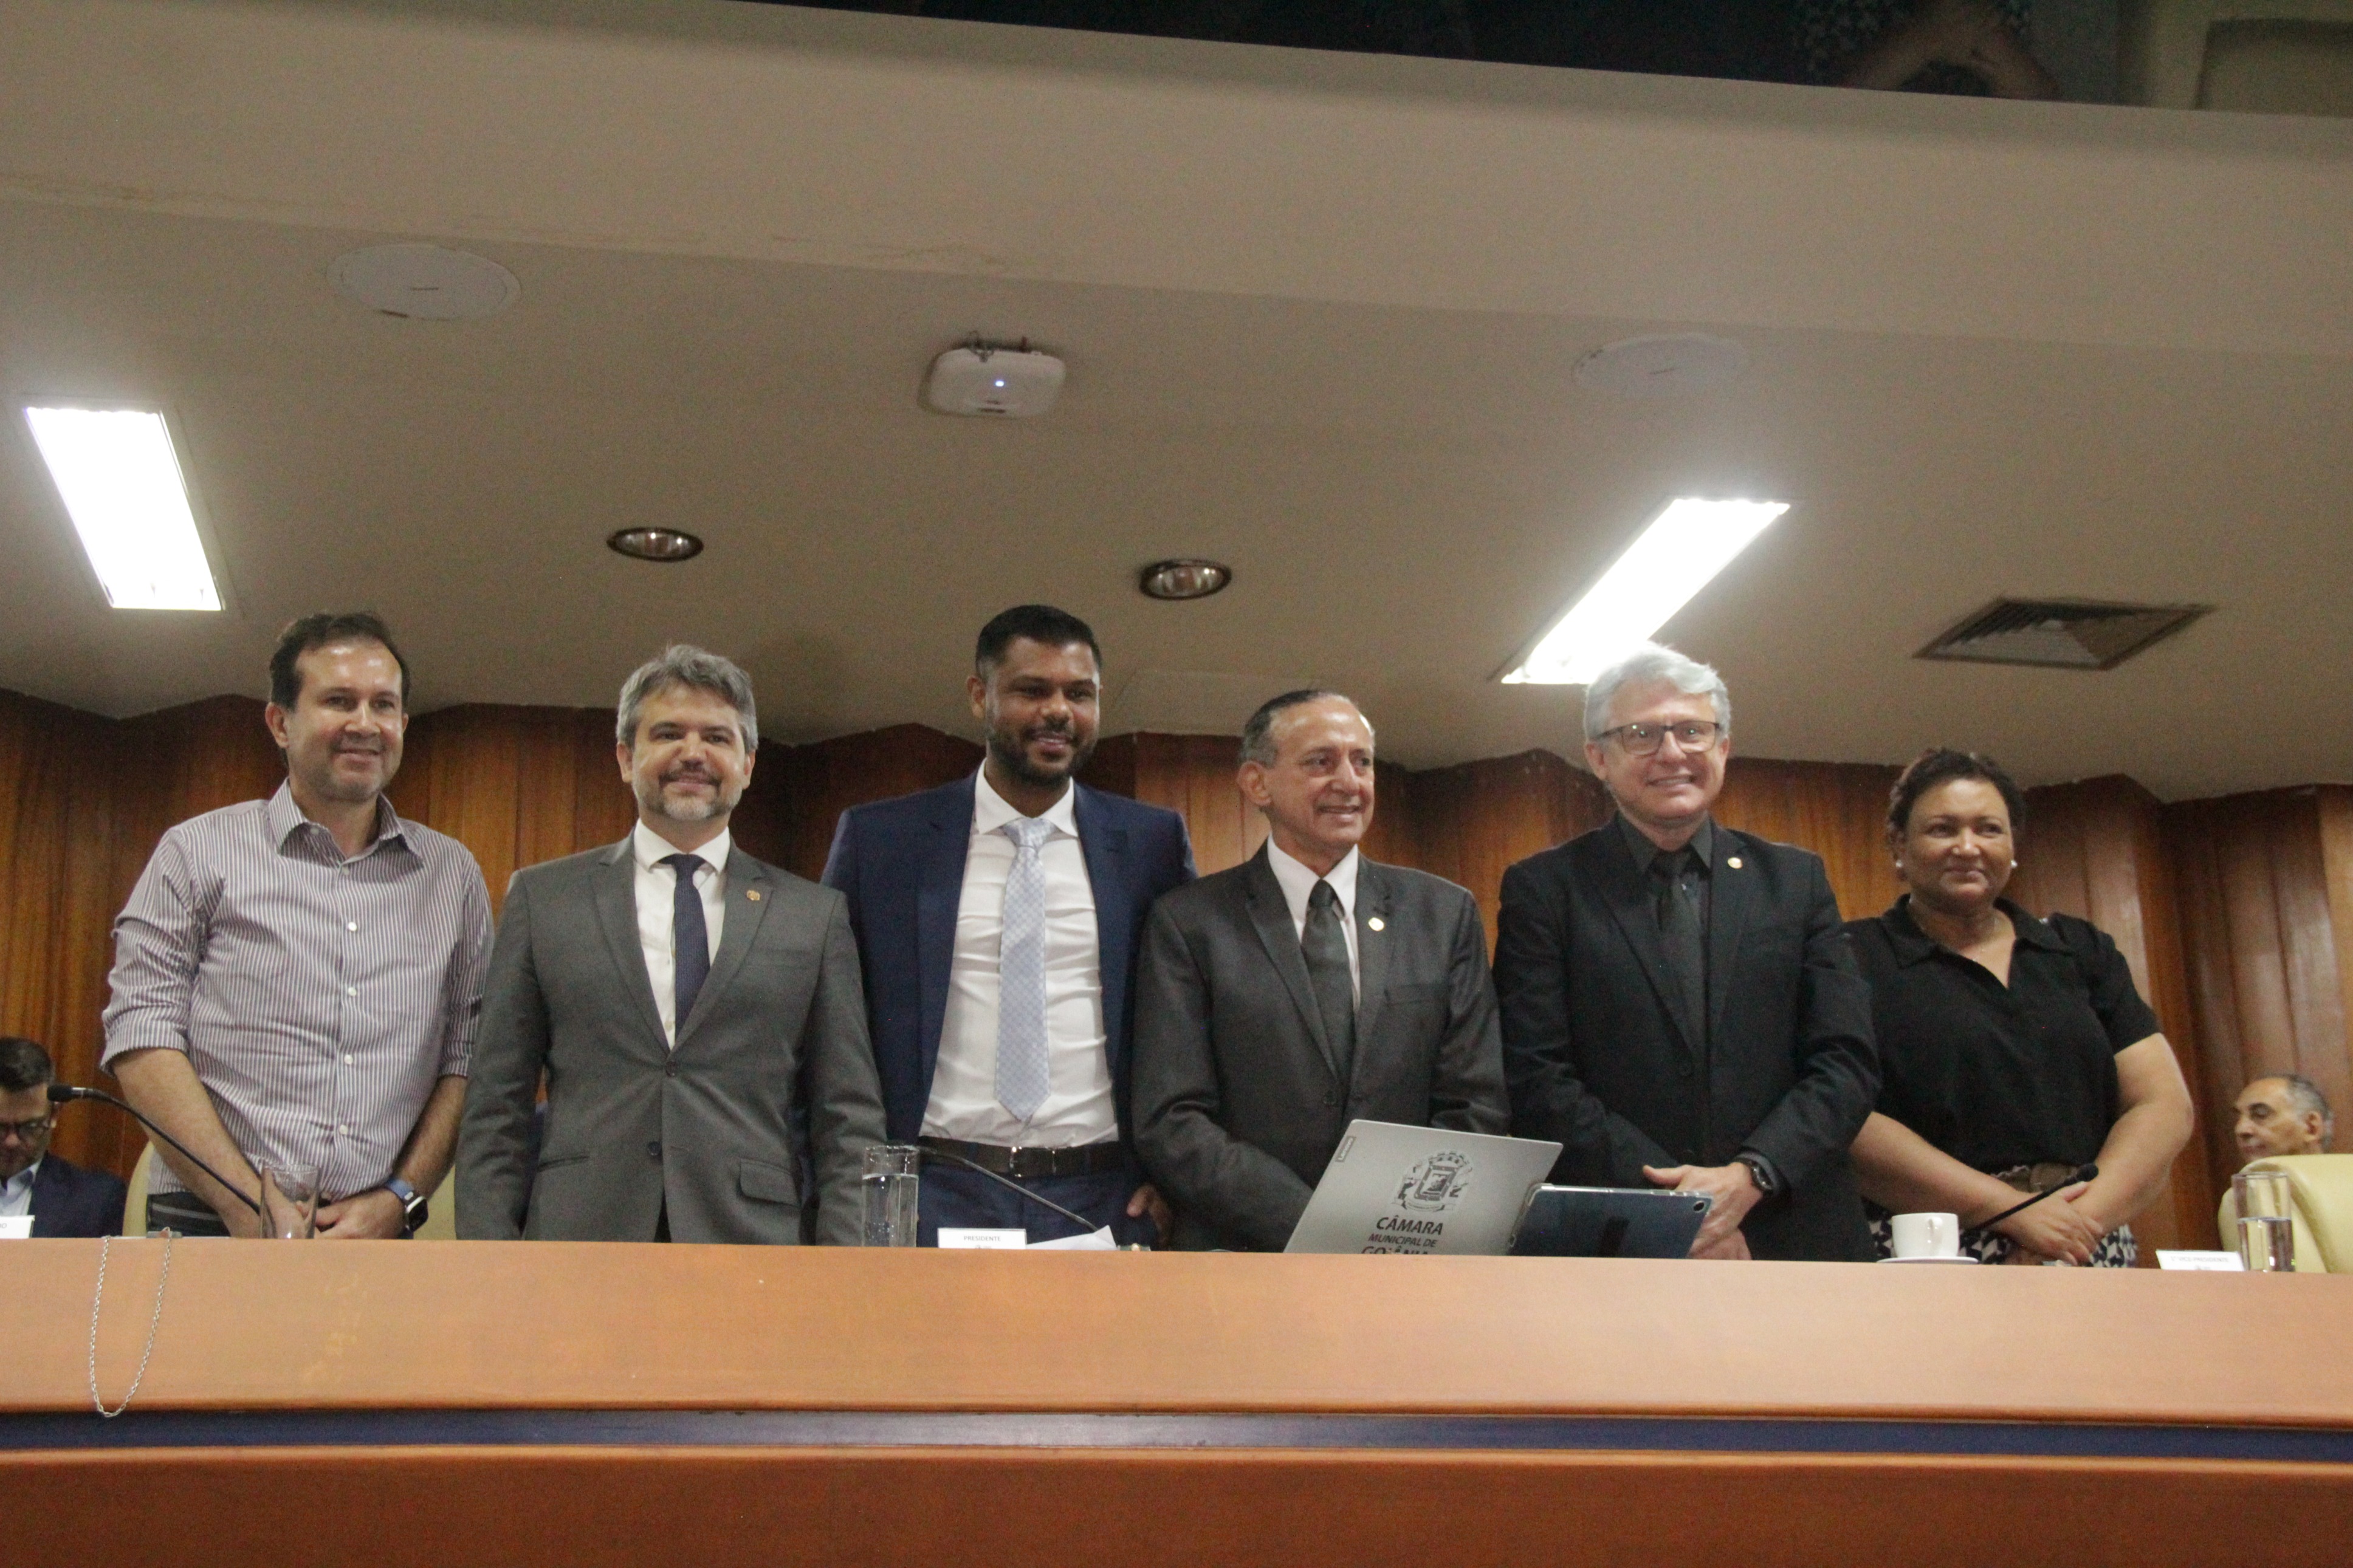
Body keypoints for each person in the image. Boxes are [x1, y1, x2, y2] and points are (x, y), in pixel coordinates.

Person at [458, 646, 885, 1244]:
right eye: (667, 734)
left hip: (751, 1245)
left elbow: (847, 1119)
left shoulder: (813, 918)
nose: (692, 753)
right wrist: (487, 1264)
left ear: (747, 764)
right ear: (625, 758)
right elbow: (495, 1107)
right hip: (579, 1240)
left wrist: (845, 1270)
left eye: (717, 737)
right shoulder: (543, 899)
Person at [103, 613, 490, 1239]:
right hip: (210, 1220)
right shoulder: (196, 852)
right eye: (339, 701)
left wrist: (400, 1198)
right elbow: (142, 1032)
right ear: (280, 723)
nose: (365, 723)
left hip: (373, 1234)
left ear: (402, 723)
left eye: (383, 705)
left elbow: (468, 1056)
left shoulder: (453, 876)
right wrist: (242, 1199)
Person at [1493, 642, 1879, 1261]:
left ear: (1722, 747)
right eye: (1641, 734)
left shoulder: (1794, 881)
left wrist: (1749, 1177)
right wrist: (1685, 1207)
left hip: (1795, 1231)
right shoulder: (1544, 889)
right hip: (1623, 1237)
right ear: (1598, 757)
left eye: (1692, 731)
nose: (1672, 753)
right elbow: (1536, 1075)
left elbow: (1845, 1061)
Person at [823, 605, 1195, 1245]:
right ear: (980, 696)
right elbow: (825, 1021)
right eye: (1032, 690)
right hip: (933, 1190)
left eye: (1079, 694)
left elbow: (1192, 1019)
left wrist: (1178, 1181)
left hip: (1106, 1196)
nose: (1058, 711)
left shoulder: (1151, 844)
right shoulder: (882, 839)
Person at [1133, 691, 1507, 1250]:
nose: (1350, 782)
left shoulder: (1443, 913)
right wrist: (1315, 1224)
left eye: (1362, 761)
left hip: (1405, 1253)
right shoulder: (1190, 922)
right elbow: (1172, 1117)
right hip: (1242, 1252)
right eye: (1320, 761)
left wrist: (1392, 1221)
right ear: (1257, 783)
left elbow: (1476, 1101)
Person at [1847, 748, 2194, 1265]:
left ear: (2012, 845)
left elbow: (2162, 1105)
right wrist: (2013, 1212)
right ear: (1899, 844)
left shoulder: (2079, 950)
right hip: (1933, 1248)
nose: (1968, 846)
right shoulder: (1852, 956)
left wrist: (2070, 1228)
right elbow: (1844, 1116)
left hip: (2085, 1238)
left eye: (1989, 829)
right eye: (1943, 829)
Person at [1, 1038, 128, 1238]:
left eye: (30, 1127)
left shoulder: (95, 1201)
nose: (12, 1141)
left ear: (54, 1114)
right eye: (0, 1127)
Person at [2233, 1074, 2332, 1164]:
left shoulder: (2340, 1178)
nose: (2241, 1130)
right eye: (2238, 1118)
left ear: (2311, 1128)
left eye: (2261, 1114)